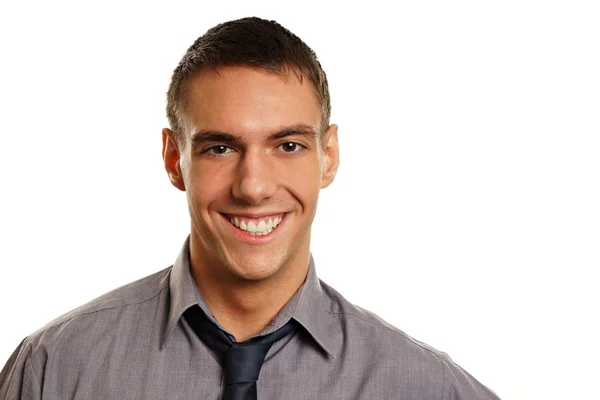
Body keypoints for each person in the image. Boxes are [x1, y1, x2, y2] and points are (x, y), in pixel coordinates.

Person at [0, 16, 500, 400]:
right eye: (220, 147)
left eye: (287, 146)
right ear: (175, 160)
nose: (254, 187)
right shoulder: (54, 369)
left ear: (329, 157)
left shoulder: (426, 388)